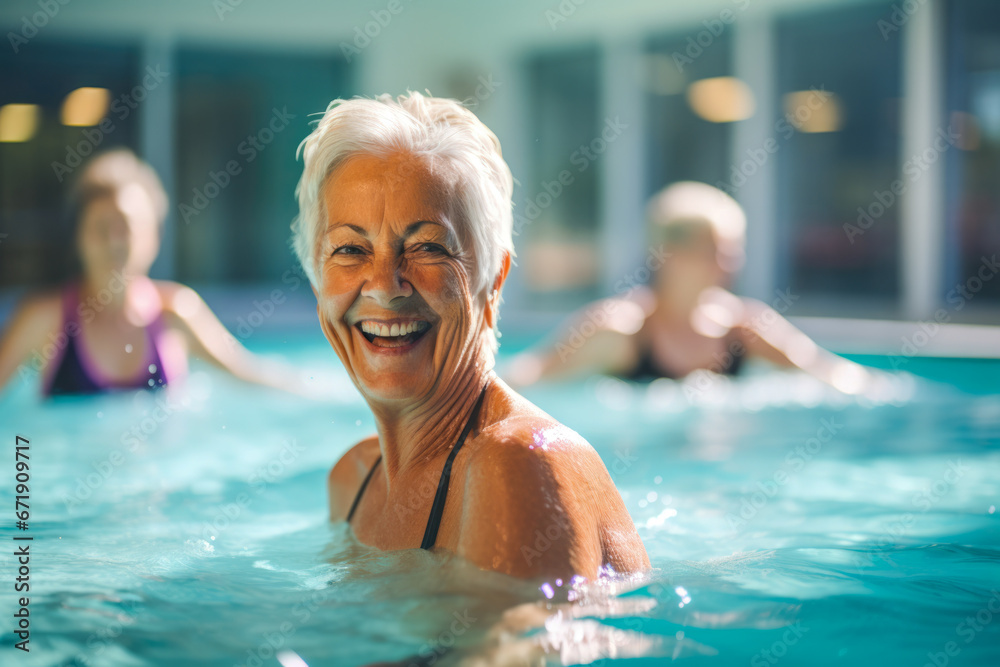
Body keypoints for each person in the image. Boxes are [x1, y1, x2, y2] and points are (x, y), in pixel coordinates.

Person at [292, 91, 649, 581]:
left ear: (494, 278)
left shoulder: (520, 462)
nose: (384, 286)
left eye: (427, 247)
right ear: (316, 279)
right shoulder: (353, 482)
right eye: (350, 249)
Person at [504, 181, 875, 394]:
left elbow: (834, 376)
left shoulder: (744, 330)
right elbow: (522, 379)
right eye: (714, 250)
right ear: (668, 254)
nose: (730, 262)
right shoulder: (620, 331)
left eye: (734, 249)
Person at [0, 148, 305, 397]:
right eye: (101, 228)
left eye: (126, 227)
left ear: (153, 237)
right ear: (79, 237)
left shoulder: (178, 313)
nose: (114, 241)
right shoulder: (44, 319)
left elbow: (250, 374)